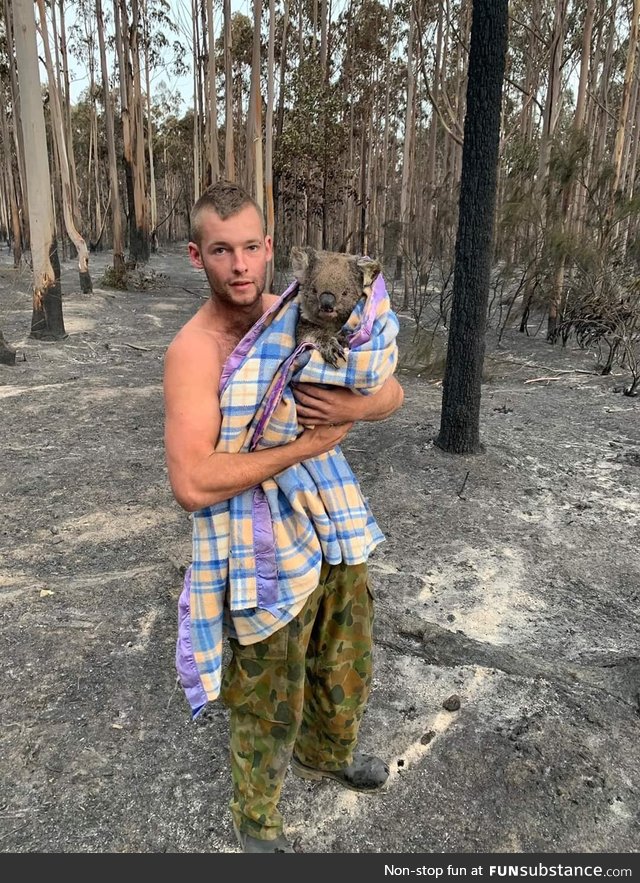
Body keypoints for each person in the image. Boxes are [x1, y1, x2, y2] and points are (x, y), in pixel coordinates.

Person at [163, 180, 404, 853]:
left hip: (328, 518)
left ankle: (328, 751)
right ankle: (257, 817)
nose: (239, 265)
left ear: (271, 251)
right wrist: (304, 444)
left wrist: (353, 409)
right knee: (269, 687)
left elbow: (392, 389)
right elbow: (191, 481)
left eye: (249, 247)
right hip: (255, 542)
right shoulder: (194, 352)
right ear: (196, 254)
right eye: (220, 250)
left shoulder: (297, 310)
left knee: (344, 653)